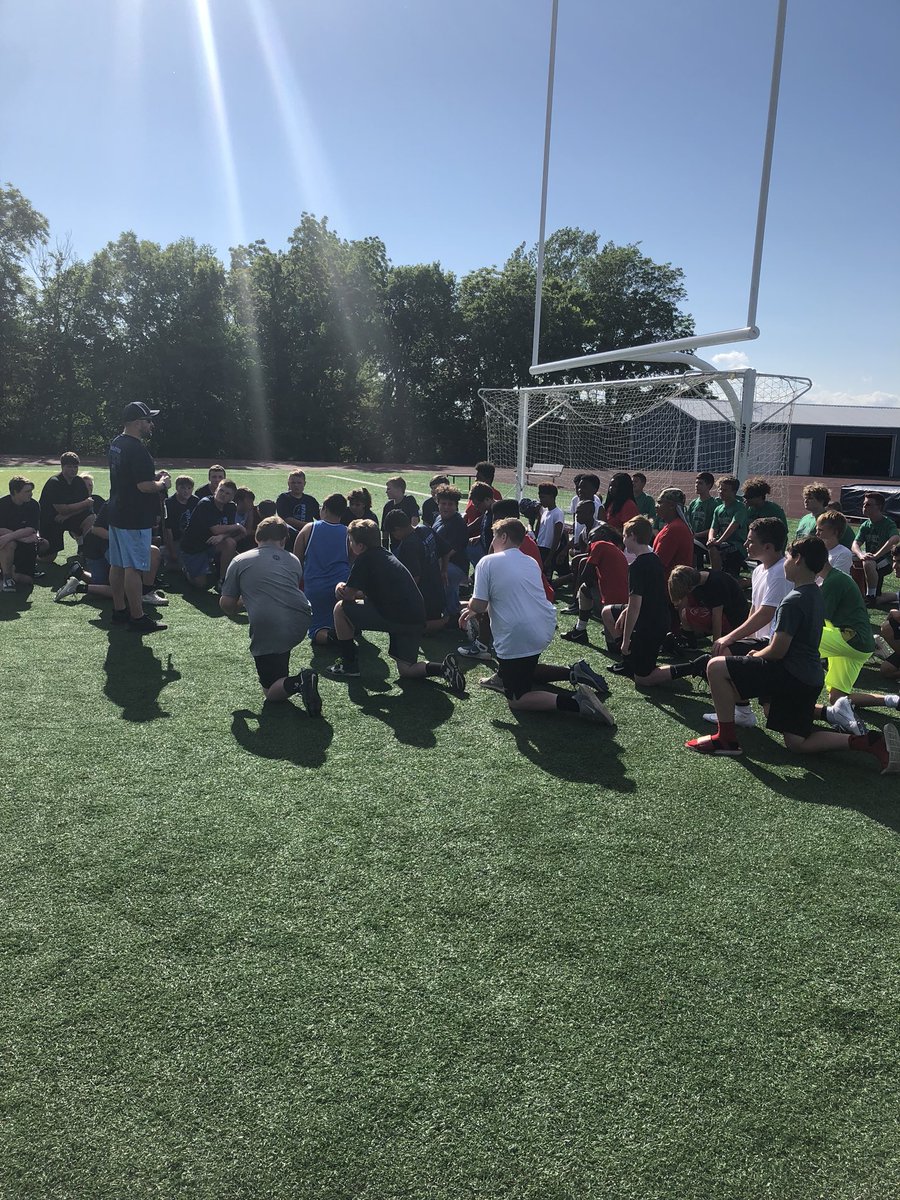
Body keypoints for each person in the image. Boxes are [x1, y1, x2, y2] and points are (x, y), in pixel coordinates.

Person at [686, 536, 900, 772]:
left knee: (716, 666)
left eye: (787, 557)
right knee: (797, 743)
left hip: (788, 674)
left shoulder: (793, 600)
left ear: (798, 560)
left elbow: (777, 651)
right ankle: (868, 741)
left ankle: (725, 738)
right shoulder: (815, 593)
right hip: (809, 678)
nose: (785, 562)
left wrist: (755, 656)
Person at [458, 517, 613, 723]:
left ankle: (577, 703)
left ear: (503, 537)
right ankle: (568, 673)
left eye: (494, 537)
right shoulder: (529, 560)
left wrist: (468, 608)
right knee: (524, 667)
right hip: (544, 626)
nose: (491, 543)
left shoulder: (488, 561)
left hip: (518, 633)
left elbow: (478, 604)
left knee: (517, 699)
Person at [325, 519, 464, 694]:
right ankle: (443, 669)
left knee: (340, 608)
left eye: (351, 541)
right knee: (407, 669)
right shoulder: (386, 555)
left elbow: (349, 596)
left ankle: (349, 664)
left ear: (360, 546)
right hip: (414, 617)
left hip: (395, 617)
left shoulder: (364, 559)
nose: (350, 545)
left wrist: (338, 586)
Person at [219, 516, 320, 714]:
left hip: (269, 624)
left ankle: (299, 681)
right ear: (283, 540)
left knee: (271, 693)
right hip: (302, 617)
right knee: (280, 645)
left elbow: (227, 604)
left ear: (257, 538)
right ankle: (290, 680)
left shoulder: (240, 560)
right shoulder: (293, 560)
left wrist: (243, 602)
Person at [700, 516, 793, 729]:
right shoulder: (760, 568)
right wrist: (745, 637)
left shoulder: (780, 572)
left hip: (774, 646)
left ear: (768, 547)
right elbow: (755, 609)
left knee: (780, 719)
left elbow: (766, 614)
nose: (745, 545)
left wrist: (730, 637)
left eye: (751, 541)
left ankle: (833, 715)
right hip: (761, 642)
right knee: (726, 653)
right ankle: (742, 711)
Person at [106, 402, 170, 634]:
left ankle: (119, 611)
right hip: (133, 517)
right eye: (148, 420)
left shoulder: (117, 443)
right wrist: (162, 483)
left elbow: (129, 478)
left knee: (117, 565)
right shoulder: (137, 449)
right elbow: (143, 486)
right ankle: (137, 617)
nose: (151, 424)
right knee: (133, 568)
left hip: (117, 512)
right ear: (136, 423)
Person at [600, 516, 673, 685]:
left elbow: (635, 607)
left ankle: (695, 666)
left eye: (625, 536)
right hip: (657, 616)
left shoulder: (637, 566)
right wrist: (625, 611)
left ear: (632, 536)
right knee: (608, 612)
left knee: (643, 679)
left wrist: (625, 641)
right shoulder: (654, 557)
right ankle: (629, 662)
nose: (623, 541)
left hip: (650, 624)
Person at [55, 498, 166, 607]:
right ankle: (145, 593)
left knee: (117, 583)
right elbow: (96, 529)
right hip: (98, 545)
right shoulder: (113, 503)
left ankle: (80, 574)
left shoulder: (149, 503)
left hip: (111, 545)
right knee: (128, 589)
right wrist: (123, 539)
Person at [293, 492, 351, 645]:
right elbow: (353, 562)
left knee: (316, 629)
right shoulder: (348, 533)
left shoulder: (309, 528)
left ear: (324, 509)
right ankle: (346, 635)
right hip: (342, 589)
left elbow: (296, 560)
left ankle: (333, 640)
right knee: (343, 620)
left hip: (315, 588)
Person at [561, 523, 628, 644]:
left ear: (602, 534)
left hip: (611, 604)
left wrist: (575, 595)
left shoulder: (600, 545)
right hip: (624, 604)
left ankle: (580, 630)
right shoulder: (614, 549)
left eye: (591, 538)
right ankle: (580, 629)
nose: (589, 543)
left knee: (584, 588)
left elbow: (586, 574)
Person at [384, 509, 449, 633]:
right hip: (438, 592)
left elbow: (414, 579)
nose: (394, 537)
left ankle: (449, 621)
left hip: (424, 599)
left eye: (393, 533)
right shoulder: (425, 529)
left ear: (397, 529)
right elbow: (445, 550)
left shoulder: (408, 545)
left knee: (409, 628)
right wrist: (444, 570)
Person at [180, 479, 243, 591]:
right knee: (202, 585)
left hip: (211, 544)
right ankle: (186, 569)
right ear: (215, 490)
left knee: (230, 543)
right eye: (221, 490)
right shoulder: (205, 503)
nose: (223, 494)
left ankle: (222, 580)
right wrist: (237, 526)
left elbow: (229, 532)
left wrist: (223, 536)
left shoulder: (231, 507)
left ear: (232, 497)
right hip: (194, 547)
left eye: (227, 493)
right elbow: (216, 529)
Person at [667, 565, 750, 645]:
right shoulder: (702, 577)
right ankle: (691, 634)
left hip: (733, 621)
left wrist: (716, 644)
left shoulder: (716, 584)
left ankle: (690, 638)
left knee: (686, 613)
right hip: (726, 615)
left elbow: (717, 617)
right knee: (686, 605)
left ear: (690, 587)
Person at [38, 451, 95, 563]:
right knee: (48, 559)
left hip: (68, 516)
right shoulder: (54, 482)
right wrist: (85, 503)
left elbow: (87, 507)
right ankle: (29, 554)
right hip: (51, 520)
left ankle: (86, 551)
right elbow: (62, 509)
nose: (73, 470)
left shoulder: (79, 481)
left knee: (91, 518)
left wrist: (70, 514)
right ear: (62, 467)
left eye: (75, 467)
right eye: (69, 467)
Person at [851, 491, 899, 605]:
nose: (864, 507)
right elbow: (855, 544)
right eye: (864, 504)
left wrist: (876, 555)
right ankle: (865, 593)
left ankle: (870, 596)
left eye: (868, 504)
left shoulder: (888, 523)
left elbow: (895, 538)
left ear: (879, 507)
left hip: (886, 561)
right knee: (853, 557)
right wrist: (861, 555)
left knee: (869, 562)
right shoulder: (865, 525)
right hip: (871, 561)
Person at [432, 485, 470, 618]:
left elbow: (448, 552)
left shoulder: (458, 524)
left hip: (453, 566)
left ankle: (458, 615)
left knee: (450, 599)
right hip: (442, 563)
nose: (446, 507)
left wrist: (441, 569)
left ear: (456, 506)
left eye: (450, 504)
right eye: (443, 503)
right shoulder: (438, 518)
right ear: (438, 503)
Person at [0, 476, 42, 591]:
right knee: (9, 544)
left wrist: (12, 536)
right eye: (27, 491)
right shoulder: (2, 504)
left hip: (25, 543)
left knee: (27, 580)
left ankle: (8, 571)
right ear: (15, 492)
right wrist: (20, 537)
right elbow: (1, 529)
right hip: (7, 544)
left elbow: (31, 529)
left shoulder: (33, 505)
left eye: (31, 491)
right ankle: (7, 577)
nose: (31, 494)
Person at [707, 475, 749, 576]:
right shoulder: (718, 509)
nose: (721, 492)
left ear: (734, 492)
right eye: (720, 489)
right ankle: (715, 573)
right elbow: (713, 527)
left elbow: (733, 525)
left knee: (732, 576)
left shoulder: (739, 507)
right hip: (723, 543)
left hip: (738, 545)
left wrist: (719, 541)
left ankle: (716, 576)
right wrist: (711, 538)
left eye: (725, 490)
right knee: (711, 546)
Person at [276, 470, 321, 549]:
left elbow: (320, 516)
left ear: (304, 484)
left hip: (308, 535)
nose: (296, 485)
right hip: (289, 536)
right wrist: (309, 526)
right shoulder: (283, 498)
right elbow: (287, 519)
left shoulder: (310, 500)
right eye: (293, 483)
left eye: (299, 483)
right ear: (288, 484)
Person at [163, 475, 198, 567]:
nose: (186, 491)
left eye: (189, 488)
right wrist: (172, 551)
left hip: (191, 539)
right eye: (182, 488)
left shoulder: (195, 501)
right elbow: (167, 529)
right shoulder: (169, 503)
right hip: (175, 539)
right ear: (176, 488)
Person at [535, 484, 566, 575]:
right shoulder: (544, 511)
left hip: (549, 550)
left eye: (543, 497)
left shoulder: (558, 513)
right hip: (540, 547)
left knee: (546, 578)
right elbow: (539, 530)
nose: (541, 500)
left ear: (552, 496)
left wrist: (550, 557)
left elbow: (557, 537)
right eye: (540, 497)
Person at [686, 472, 717, 559]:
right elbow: (689, 522)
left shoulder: (714, 504)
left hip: (705, 539)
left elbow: (715, 527)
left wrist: (698, 535)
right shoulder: (693, 503)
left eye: (700, 483)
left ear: (709, 485)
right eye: (696, 483)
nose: (696, 485)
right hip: (694, 537)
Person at [381, 477, 419, 544]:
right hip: (395, 545)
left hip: (409, 542)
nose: (386, 491)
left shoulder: (409, 500)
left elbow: (415, 518)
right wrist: (385, 547)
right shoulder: (388, 506)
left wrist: (411, 538)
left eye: (389, 489)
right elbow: (385, 531)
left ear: (398, 489)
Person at [815, 510, 853, 574]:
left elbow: (834, 579)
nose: (817, 534)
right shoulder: (815, 550)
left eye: (820, 530)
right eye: (817, 530)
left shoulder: (844, 553)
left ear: (835, 532)